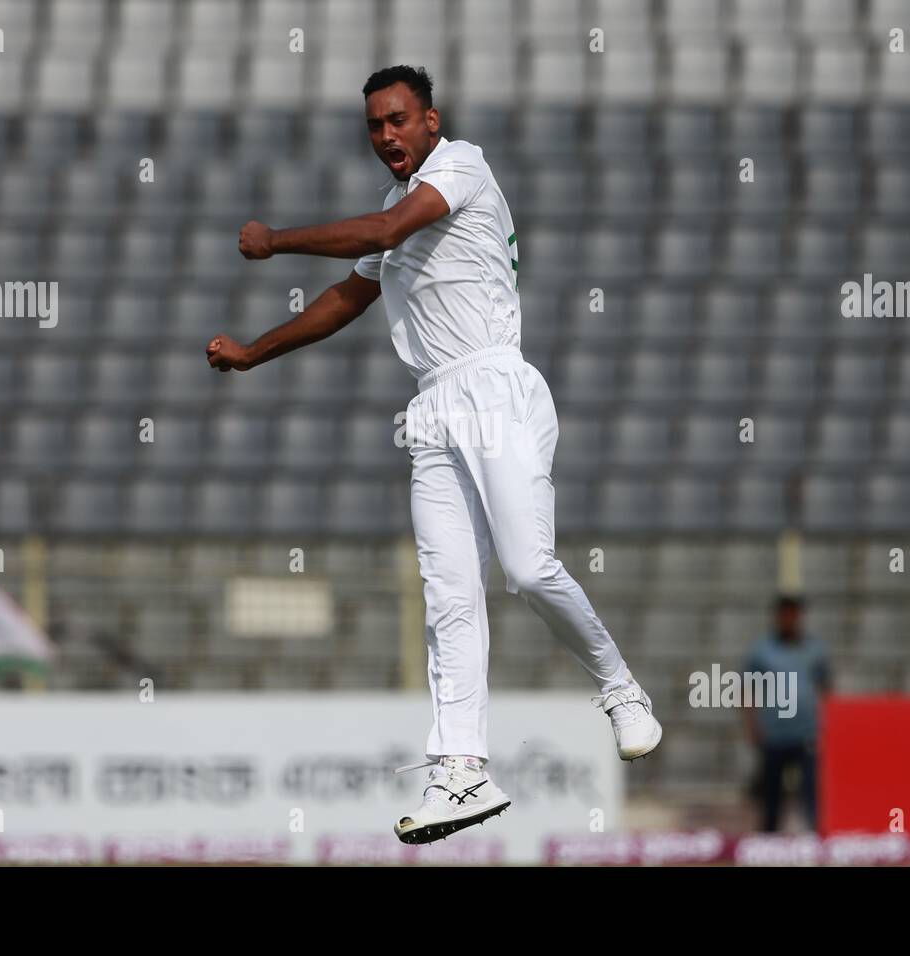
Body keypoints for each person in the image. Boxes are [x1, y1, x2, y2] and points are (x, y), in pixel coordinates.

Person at [206, 65, 661, 844]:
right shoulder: (394, 206)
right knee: (449, 593)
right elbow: (349, 296)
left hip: (495, 387)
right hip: (436, 405)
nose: (386, 135)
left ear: (430, 120)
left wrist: (276, 241)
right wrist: (255, 352)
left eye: (397, 120)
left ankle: (619, 687)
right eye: (375, 126)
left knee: (525, 566)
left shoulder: (460, 166)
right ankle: (461, 767)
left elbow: (381, 238)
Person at [742, 594, 830, 832]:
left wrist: (826, 725)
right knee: (771, 792)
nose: (789, 620)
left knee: (811, 790)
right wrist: (752, 725)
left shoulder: (814, 649)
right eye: (784, 615)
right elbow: (748, 688)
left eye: (793, 615)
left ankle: (815, 836)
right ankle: (768, 840)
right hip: (774, 733)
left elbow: (825, 689)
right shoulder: (763, 650)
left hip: (807, 732)